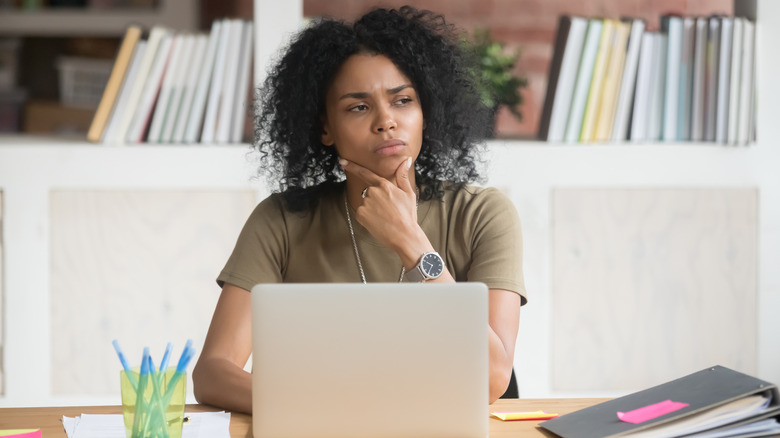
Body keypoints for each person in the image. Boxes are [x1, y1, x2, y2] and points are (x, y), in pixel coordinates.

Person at [192, 5, 526, 414]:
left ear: (426, 113)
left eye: (403, 100)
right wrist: (323, 411)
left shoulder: (483, 214)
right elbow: (212, 372)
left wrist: (411, 242)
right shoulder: (281, 220)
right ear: (325, 128)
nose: (386, 121)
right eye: (358, 107)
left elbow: (493, 378)